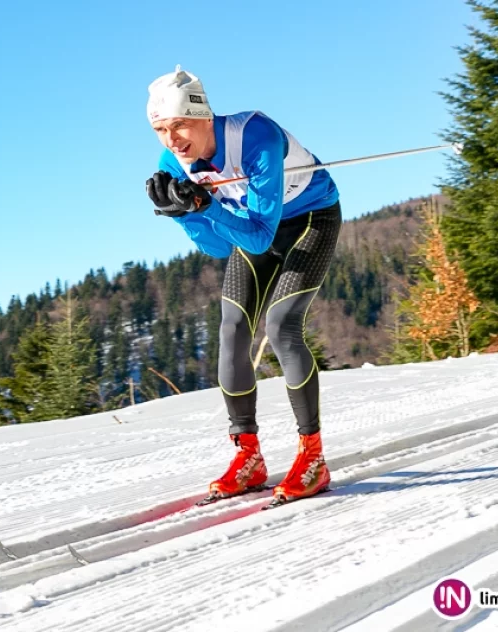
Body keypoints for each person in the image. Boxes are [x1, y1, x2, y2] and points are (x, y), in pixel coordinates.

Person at [144, 65, 342, 506]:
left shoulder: (256, 137)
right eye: (160, 128)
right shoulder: (171, 162)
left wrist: (206, 205)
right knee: (232, 328)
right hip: (247, 226)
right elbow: (217, 248)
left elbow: (260, 236)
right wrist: (187, 214)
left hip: (308, 218)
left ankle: (313, 457)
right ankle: (248, 455)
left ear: (204, 116)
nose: (172, 139)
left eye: (180, 124)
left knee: (281, 325)